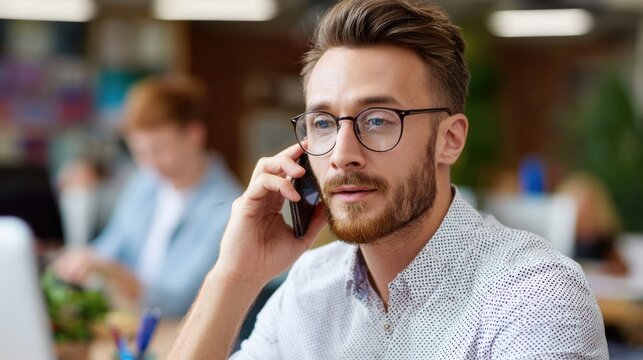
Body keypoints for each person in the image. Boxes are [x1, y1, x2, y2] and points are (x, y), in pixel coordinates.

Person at [170, 0, 608, 358]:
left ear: (449, 140)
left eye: (378, 120)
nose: (342, 154)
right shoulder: (308, 287)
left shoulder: (533, 299)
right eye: (323, 123)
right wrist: (234, 276)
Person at [54, 75, 242, 317]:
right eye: (140, 152)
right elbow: (111, 246)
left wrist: (114, 272)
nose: (150, 164)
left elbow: (180, 303)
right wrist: (81, 260)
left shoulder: (228, 209)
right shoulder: (145, 183)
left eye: (160, 150)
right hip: (132, 326)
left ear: (194, 136)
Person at [557, 172, 629, 275]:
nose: (584, 211)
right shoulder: (562, 236)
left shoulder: (603, 236)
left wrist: (609, 269)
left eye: (589, 206)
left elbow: (621, 268)